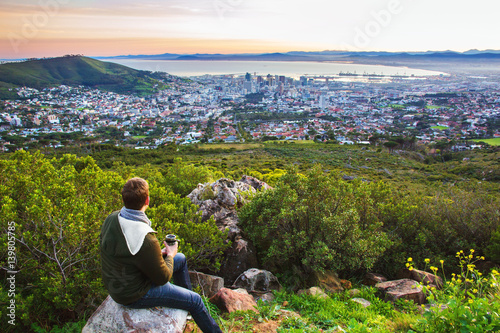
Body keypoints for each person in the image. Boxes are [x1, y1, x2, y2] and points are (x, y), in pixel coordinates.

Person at [100, 177, 222, 333]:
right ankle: (195, 310)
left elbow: (124, 252)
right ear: (147, 200)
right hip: (134, 294)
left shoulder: (112, 218)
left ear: (124, 199)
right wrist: (169, 254)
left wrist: (158, 255)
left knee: (181, 258)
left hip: (119, 283)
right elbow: (162, 278)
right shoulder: (146, 237)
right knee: (196, 300)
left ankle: (186, 311)